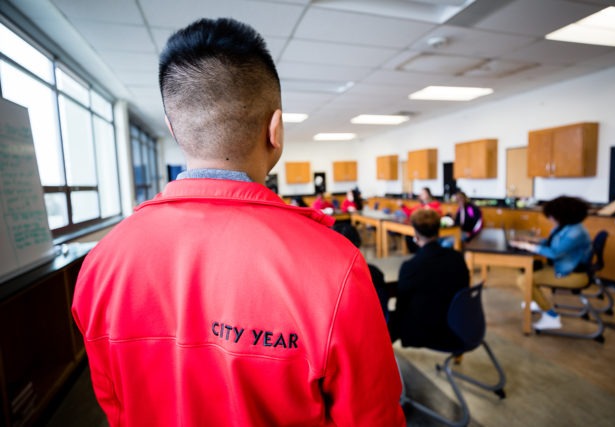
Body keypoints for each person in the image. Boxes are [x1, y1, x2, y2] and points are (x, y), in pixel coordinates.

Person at [72, 18, 404, 426]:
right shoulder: (337, 267)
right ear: (275, 130)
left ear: (175, 130)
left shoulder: (101, 263)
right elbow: (373, 418)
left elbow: (114, 402)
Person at [509, 196, 592, 330]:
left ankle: (552, 317)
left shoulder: (576, 232)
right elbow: (551, 242)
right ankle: (536, 300)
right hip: (562, 268)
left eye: (551, 216)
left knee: (524, 280)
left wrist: (527, 246)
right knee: (529, 269)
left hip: (573, 275)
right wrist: (531, 240)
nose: (550, 219)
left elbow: (554, 252)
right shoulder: (565, 227)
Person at [392, 209, 470, 348]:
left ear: (415, 234)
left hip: (429, 332)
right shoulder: (457, 258)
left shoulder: (411, 267)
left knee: (388, 318)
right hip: (460, 325)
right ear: (438, 230)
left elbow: (401, 306)